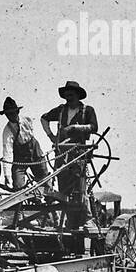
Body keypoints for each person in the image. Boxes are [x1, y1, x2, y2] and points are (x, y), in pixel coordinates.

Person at [41, 80, 99, 227]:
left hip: (78, 152)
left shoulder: (87, 110)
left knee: (80, 187)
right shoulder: (61, 110)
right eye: (66, 95)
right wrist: (51, 136)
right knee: (63, 188)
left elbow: (94, 127)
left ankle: (88, 219)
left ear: (78, 95)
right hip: (61, 153)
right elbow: (44, 118)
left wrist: (76, 128)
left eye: (71, 95)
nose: (68, 98)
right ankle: (70, 220)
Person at [0, 96, 48, 191]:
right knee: (18, 186)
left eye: (12, 113)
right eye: (7, 114)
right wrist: (7, 175)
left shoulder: (27, 120)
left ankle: (51, 201)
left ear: (17, 112)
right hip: (20, 158)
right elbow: (7, 153)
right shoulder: (7, 131)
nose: (10, 116)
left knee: (45, 180)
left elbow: (32, 134)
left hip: (35, 152)